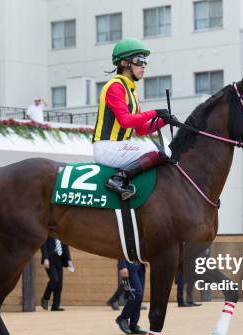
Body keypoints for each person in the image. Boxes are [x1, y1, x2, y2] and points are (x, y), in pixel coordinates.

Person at [93, 38, 176, 200]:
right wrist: (154, 112)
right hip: (107, 148)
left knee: (165, 144)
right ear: (124, 63)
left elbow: (140, 129)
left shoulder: (132, 91)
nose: (144, 65)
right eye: (139, 61)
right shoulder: (114, 87)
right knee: (159, 149)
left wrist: (164, 121)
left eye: (146, 62)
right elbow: (126, 120)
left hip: (121, 146)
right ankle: (118, 178)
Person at [114, 260, 147, 335]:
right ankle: (122, 318)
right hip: (129, 266)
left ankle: (133, 325)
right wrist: (122, 265)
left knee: (139, 297)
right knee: (137, 294)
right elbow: (122, 248)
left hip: (140, 266)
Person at [40, 237, 73, 311]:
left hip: (59, 259)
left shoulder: (62, 234)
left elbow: (65, 247)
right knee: (54, 279)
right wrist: (45, 258)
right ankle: (45, 298)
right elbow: (43, 245)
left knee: (59, 284)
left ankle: (55, 306)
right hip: (49, 259)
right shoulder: (49, 233)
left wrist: (69, 260)